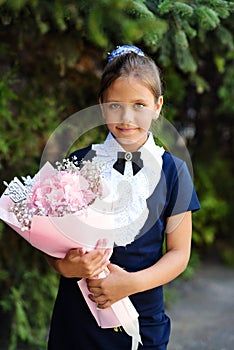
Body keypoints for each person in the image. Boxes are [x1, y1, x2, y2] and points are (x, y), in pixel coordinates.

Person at [46, 45, 200, 349]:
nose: (127, 117)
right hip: (78, 322)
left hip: (142, 321)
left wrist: (129, 284)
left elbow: (179, 254)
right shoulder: (77, 164)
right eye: (115, 105)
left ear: (157, 106)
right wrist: (71, 266)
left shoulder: (173, 171)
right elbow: (55, 251)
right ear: (102, 106)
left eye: (139, 105)